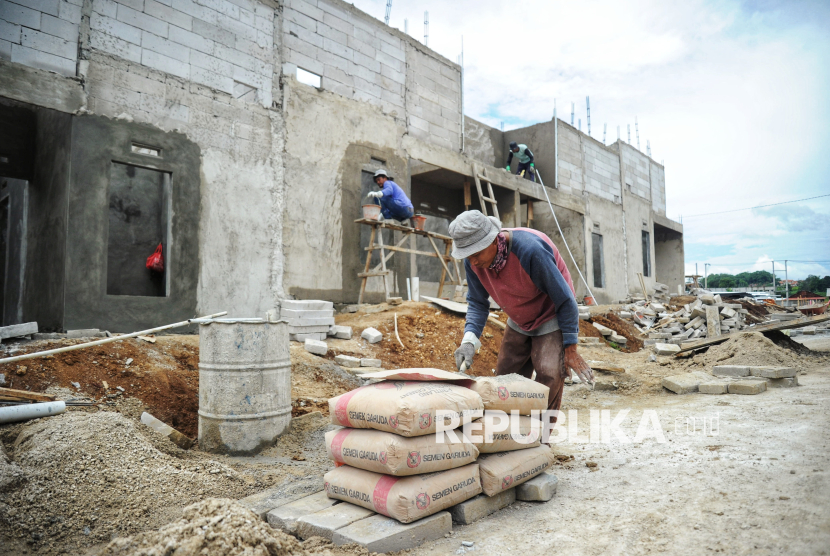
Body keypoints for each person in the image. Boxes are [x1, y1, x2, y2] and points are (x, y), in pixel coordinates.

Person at [449, 210, 593, 415]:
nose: (473, 262)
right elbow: (477, 302)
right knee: (505, 380)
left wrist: (570, 348)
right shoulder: (474, 262)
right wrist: (469, 341)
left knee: (549, 376)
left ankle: (539, 440)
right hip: (518, 317)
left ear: (492, 241)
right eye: (467, 257)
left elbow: (565, 299)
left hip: (551, 313)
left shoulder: (531, 250)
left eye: (475, 255)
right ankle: (510, 434)